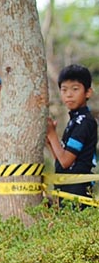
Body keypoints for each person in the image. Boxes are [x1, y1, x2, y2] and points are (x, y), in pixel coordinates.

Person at [46, 64, 97, 206]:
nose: (69, 94)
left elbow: (66, 161)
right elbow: (60, 160)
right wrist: (50, 141)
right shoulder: (74, 120)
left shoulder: (84, 121)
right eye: (64, 90)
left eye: (75, 89)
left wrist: (52, 135)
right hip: (66, 187)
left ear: (88, 92)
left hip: (78, 190)